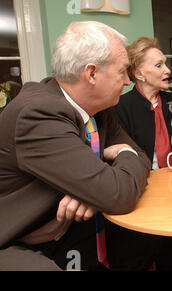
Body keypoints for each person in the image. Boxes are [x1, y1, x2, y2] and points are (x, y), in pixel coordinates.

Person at [0, 21, 162, 271]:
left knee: (149, 242)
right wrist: (101, 188)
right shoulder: (39, 113)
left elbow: (138, 157)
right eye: (122, 72)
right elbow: (118, 194)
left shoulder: (97, 109)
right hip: (17, 239)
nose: (128, 81)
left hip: (68, 227)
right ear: (91, 73)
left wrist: (104, 179)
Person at [112, 36, 172, 270]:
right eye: (158, 65)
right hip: (142, 191)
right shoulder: (120, 107)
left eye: (165, 63)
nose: (167, 70)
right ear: (139, 73)